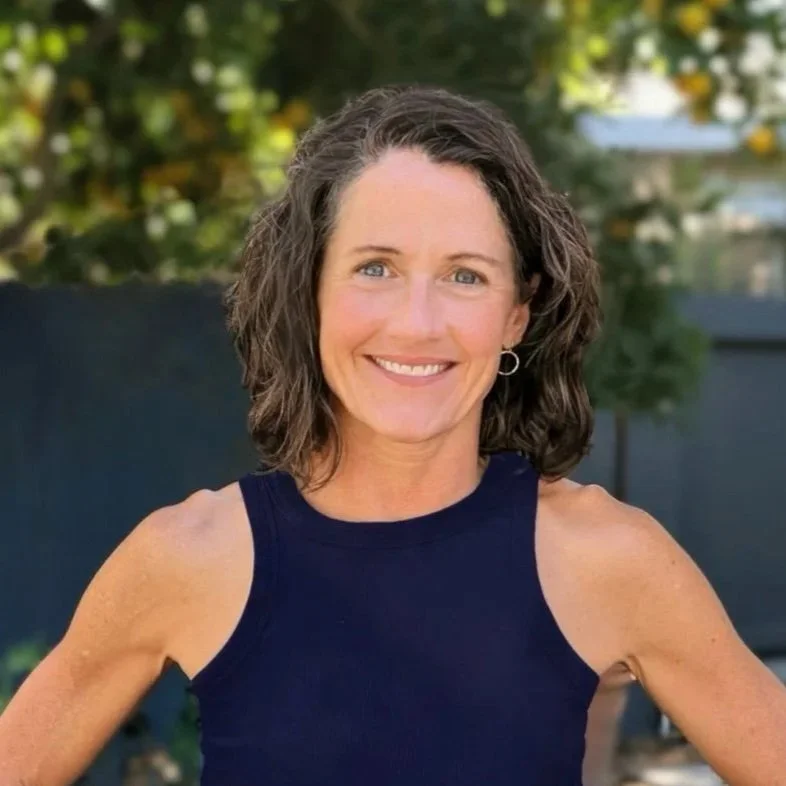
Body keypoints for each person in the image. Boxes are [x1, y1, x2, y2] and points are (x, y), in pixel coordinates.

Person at [1, 85, 785, 786]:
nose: (416, 323)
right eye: (375, 267)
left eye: (465, 275)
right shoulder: (188, 558)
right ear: (311, 292)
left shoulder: (611, 561)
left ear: (518, 313)